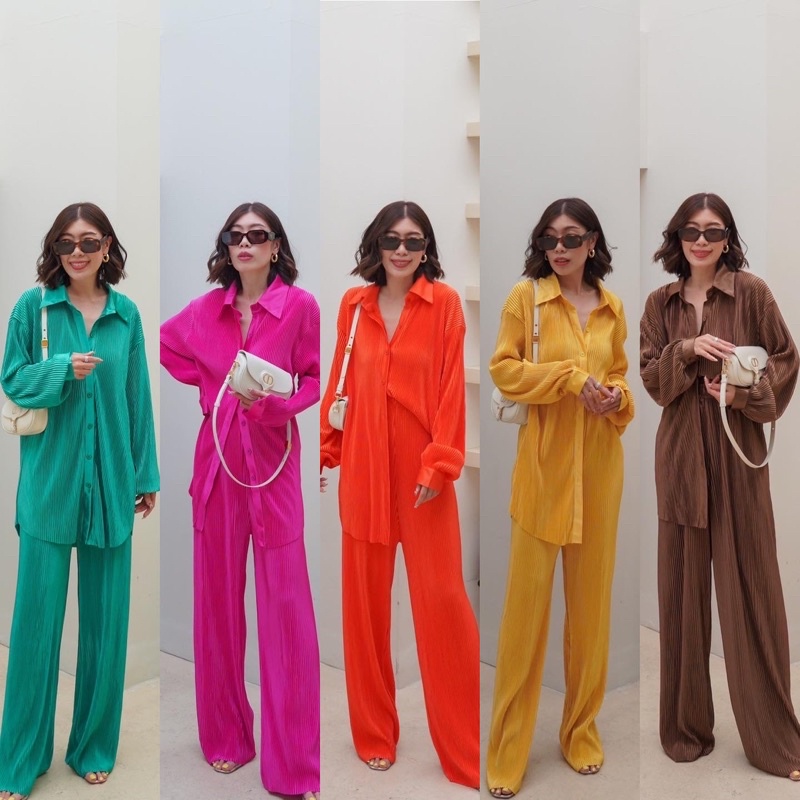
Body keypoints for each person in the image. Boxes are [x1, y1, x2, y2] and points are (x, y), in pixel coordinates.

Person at [160, 202, 320, 799]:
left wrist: (278, 407)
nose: (245, 242)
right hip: (218, 466)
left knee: (286, 614)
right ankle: (227, 736)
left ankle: (293, 762)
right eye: (235, 235)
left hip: (275, 466)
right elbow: (167, 345)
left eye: (258, 234)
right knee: (218, 609)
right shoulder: (206, 311)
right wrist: (211, 387)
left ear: (275, 245)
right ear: (226, 246)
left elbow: (313, 379)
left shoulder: (299, 307)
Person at [0, 202, 159, 800]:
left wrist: (145, 472)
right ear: (55, 248)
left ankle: (92, 746)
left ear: (107, 247)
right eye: (66, 243)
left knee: (105, 628)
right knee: (35, 629)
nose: (77, 253)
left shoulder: (126, 314)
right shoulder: (33, 307)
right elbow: (11, 378)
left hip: (113, 485)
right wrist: (63, 369)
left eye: (89, 242)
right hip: (49, 487)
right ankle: (21, 760)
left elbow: (136, 396)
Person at [640, 191, 800, 781]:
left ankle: (775, 739)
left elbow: (785, 359)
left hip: (739, 462)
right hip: (681, 464)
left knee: (753, 595)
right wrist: (686, 350)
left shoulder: (751, 293)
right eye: (691, 231)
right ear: (677, 239)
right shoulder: (660, 304)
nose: (701, 241)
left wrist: (742, 394)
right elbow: (653, 381)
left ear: (727, 238)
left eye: (712, 231)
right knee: (681, 601)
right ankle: (686, 731)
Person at [319, 200, 480, 787]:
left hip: (422, 473)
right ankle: (374, 733)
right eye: (392, 239)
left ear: (427, 247)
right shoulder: (353, 305)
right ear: (376, 245)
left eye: (414, 240)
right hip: (364, 467)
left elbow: (451, 389)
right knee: (363, 611)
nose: (403, 250)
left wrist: (439, 464)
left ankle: (464, 749)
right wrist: (330, 447)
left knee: (443, 606)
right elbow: (339, 380)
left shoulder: (445, 305)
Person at [486, 197, 634, 798]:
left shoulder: (612, 308)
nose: (560, 248)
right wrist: (569, 380)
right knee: (524, 621)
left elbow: (620, 375)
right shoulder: (526, 299)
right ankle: (507, 751)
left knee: (591, 617)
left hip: (599, 475)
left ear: (593, 242)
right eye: (550, 238)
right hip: (542, 478)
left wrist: (616, 397)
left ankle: (580, 733)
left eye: (572, 238)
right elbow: (503, 370)